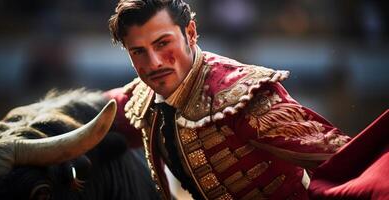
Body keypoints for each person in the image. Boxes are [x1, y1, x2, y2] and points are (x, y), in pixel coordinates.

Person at [103, 0, 351, 199]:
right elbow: (100, 109)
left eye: (163, 43)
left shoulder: (244, 94)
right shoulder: (143, 98)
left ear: (190, 33)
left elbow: (343, 160)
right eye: (138, 51)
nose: (154, 62)